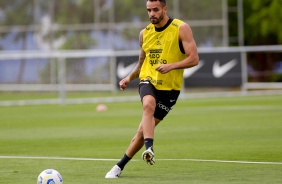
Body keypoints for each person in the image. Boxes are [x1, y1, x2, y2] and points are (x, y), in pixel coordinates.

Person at [105, 0, 199, 178]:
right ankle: (150, 149)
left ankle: (118, 167)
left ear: (165, 9)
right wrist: (128, 78)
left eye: (155, 10)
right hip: (148, 80)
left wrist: (171, 66)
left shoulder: (181, 28)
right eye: (149, 10)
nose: (151, 14)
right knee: (148, 104)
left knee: (142, 131)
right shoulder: (144, 33)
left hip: (170, 89)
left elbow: (194, 59)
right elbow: (142, 64)